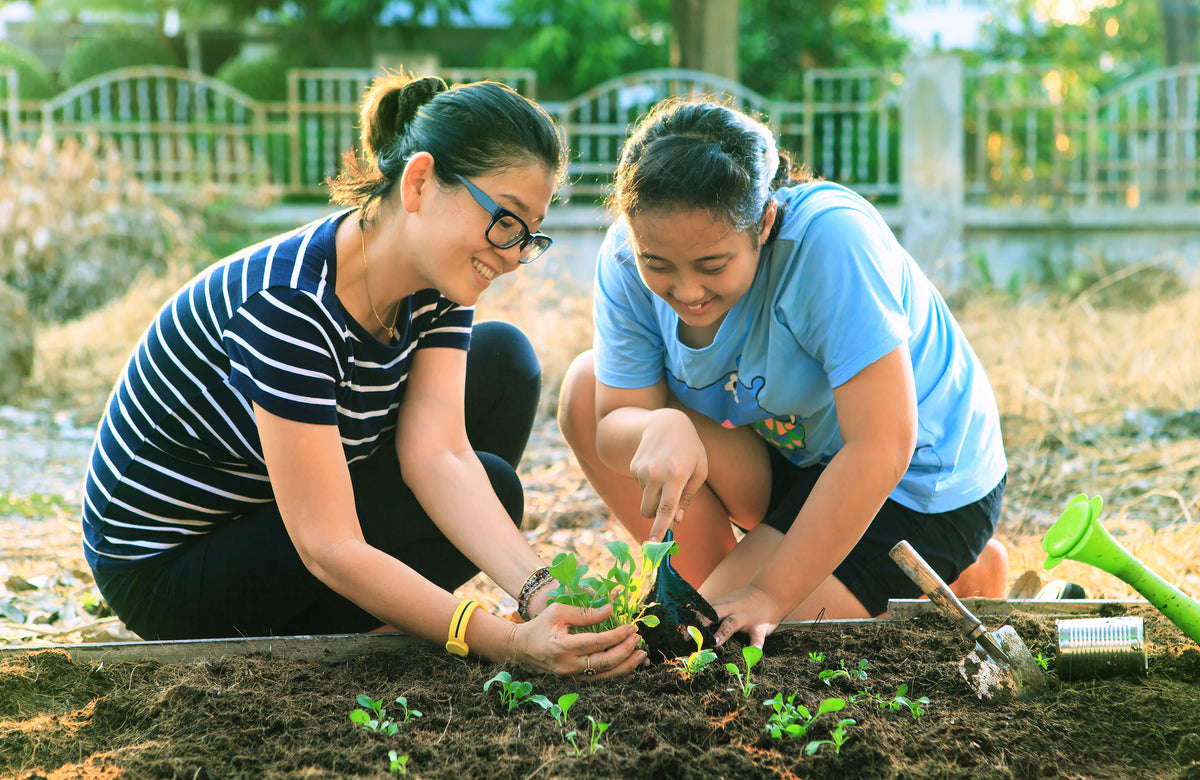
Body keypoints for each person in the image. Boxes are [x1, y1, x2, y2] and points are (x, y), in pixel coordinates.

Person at [81, 73, 645, 679]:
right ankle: (364, 622)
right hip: (173, 568)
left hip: (276, 509)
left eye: (527, 236)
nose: (511, 254)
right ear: (420, 182)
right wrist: (501, 642)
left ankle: (377, 614)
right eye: (504, 220)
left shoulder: (440, 282)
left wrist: (537, 591)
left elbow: (440, 455)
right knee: (497, 488)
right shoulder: (288, 304)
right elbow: (329, 545)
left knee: (502, 365)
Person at [558, 98, 1010, 649]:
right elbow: (608, 424)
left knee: (732, 634)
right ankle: (729, 584)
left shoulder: (831, 242)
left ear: (765, 222)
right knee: (586, 388)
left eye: (712, 265)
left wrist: (769, 595)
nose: (687, 291)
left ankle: (958, 573)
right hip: (797, 457)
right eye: (660, 264)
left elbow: (882, 446)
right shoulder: (627, 258)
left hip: (915, 481)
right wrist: (655, 428)